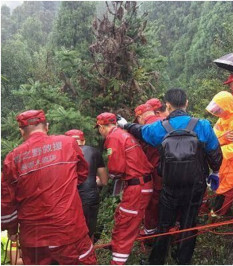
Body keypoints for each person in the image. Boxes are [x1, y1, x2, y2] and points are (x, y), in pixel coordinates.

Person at [119, 88, 223, 265]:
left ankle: (157, 261)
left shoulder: (160, 128)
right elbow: (215, 155)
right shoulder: (203, 125)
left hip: (170, 186)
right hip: (195, 186)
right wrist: (215, 172)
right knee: (189, 223)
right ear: (187, 103)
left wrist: (125, 125)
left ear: (167, 105)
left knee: (164, 225)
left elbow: (140, 131)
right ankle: (183, 259)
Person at [1, 110, 97, 265]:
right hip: (68, 230)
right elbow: (82, 174)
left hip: (33, 239)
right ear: (47, 126)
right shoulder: (68, 143)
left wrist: (11, 230)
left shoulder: (12, 158)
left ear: (21, 131)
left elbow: (6, 202)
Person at [95, 112, 153, 265]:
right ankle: (117, 249)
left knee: (126, 224)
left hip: (137, 187)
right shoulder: (123, 134)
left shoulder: (113, 138)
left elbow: (116, 169)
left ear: (101, 127)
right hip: (141, 184)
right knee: (122, 217)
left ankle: (117, 261)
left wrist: (106, 178)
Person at [65, 129, 108, 240]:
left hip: (69, 200)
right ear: (83, 141)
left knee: (71, 232)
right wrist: (94, 181)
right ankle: (90, 254)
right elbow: (104, 181)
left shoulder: (62, 154)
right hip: (89, 198)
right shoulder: (94, 152)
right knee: (89, 231)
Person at [134, 104, 163, 236]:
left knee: (154, 200)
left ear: (140, 117)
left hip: (156, 170)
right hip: (174, 167)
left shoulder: (144, 129)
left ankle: (150, 231)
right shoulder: (165, 121)